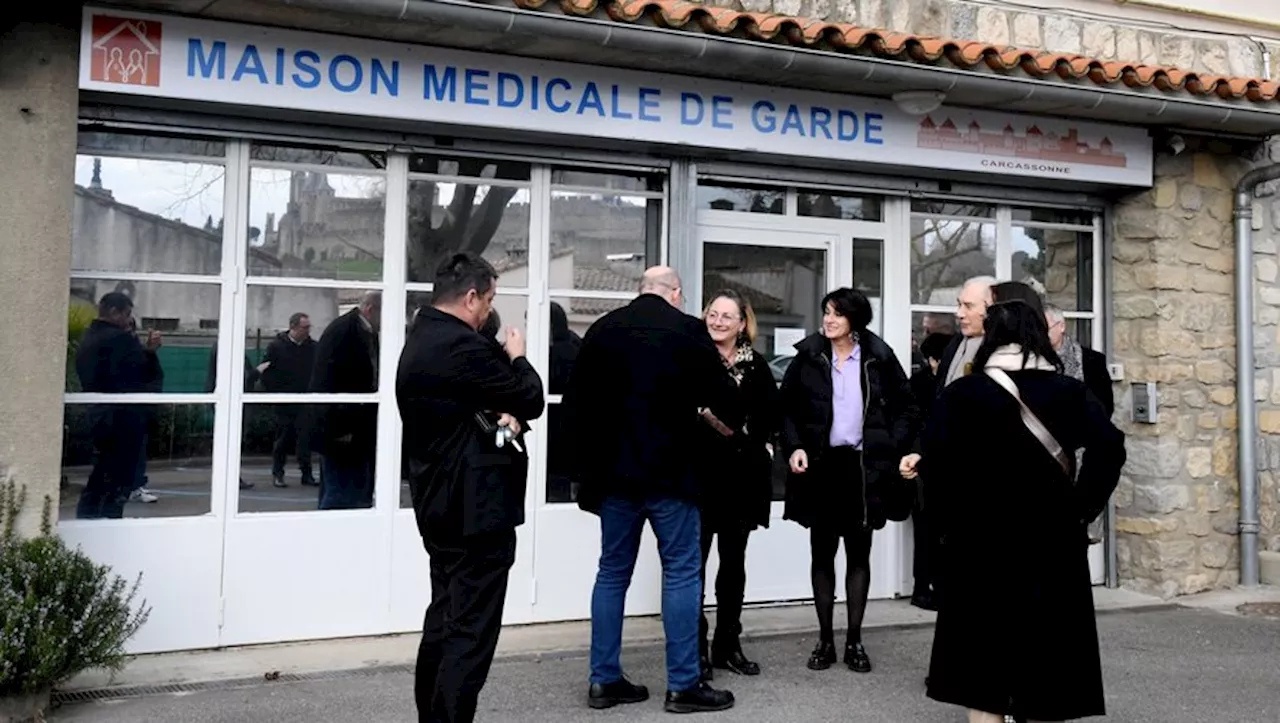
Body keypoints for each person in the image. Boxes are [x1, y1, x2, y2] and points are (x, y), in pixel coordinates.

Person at [901, 300, 1126, 723]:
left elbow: (939, 462)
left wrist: (951, 524)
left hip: (979, 543)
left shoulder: (962, 393)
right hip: (1053, 541)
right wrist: (1082, 504)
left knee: (982, 677)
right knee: (1046, 667)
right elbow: (1110, 448)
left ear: (991, 339)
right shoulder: (1069, 392)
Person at [565, 266, 739, 714]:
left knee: (611, 573)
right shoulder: (688, 331)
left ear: (641, 290)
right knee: (681, 571)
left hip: (613, 477)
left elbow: (575, 406)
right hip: (672, 475)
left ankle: (603, 681)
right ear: (675, 293)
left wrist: (585, 471)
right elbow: (724, 397)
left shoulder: (602, 330)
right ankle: (683, 685)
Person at [397, 252, 545, 723]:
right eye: (488, 301)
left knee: (444, 620)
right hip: (473, 512)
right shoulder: (461, 346)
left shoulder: (422, 337)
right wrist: (518, 355)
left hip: (439, 503)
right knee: (469, 634)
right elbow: (530, 396)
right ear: (471, 297)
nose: (488, 312)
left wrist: (503, 414)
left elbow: (480, 406)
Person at [779, 288, 918, 674]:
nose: (828, 320)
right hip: (821, 467)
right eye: (826, 312)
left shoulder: (879, 357)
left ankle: (855, 640)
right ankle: (825, 640)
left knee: (859, 554)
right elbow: (786, 409)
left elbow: (907, 407)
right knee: (821, 554)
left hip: (863, 469)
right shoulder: (809, 357)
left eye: (837, 314)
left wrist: (890, 445)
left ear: (855, 320)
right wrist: (794, 446)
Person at [696, 290, 779, 681]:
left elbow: (768, 417)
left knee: (733, 566)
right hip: (697, 479)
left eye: (728, 316)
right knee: (691, 567)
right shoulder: (691, 358)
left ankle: (727, 646)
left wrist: (760, 450)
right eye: (714, 314)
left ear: (742, 323)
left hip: (741, 480)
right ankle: (693, 648)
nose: (719, 322)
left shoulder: (757, 366)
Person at [74, 292, 163, 519]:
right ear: (115, 312)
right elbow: (143, 375)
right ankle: (109, 523)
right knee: (117, 481)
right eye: (127, 314)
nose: (129, 320)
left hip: (97, 415)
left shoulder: (88, 338)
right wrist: (150, 352)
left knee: (100, 477)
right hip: (122, 419)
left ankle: (88, 519)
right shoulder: (120, 340)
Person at [311, 291, 381, 510]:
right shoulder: (345, 331)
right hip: (343, 428)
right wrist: (338, 426)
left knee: (348, 489)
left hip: (354, 426)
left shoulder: (360, 331)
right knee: (341, 492)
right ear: (370, 309)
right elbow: (328, 381)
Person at [907, 331, 952, 611]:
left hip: (937, 465)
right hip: (925, 466)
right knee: (926, 531)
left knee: (937, 531)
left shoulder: (937, 383)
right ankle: (922, 588)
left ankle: (935, 585)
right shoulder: (924, 384)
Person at [261, 312, 318, 488]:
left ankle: (306, 474)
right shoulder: (276, 347)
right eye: (304, 327)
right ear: (293, 327)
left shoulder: (313, 347)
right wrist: (275, 393)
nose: (308, 330)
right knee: (282, 439)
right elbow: (267, 373)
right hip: (284, 400)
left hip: (305, 400)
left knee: (305, 438)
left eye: (309, 327)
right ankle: (278, 473)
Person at [1044, 303, 1114, 416]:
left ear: (1061, 326)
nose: (1041, 334)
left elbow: (1104, 406)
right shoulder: (1032, 359)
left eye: (1046, 328)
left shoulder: (1092, 360)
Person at [936, 276, 996, 394]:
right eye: (959, 305)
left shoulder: (1002, 350)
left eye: (969, 306)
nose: (960, 314)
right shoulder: (954, 344)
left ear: (991, 309)